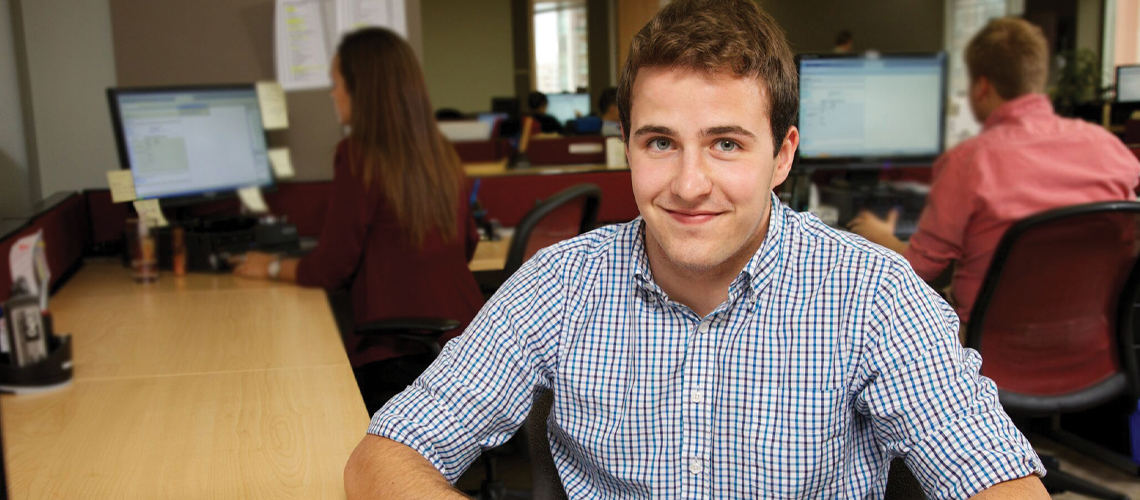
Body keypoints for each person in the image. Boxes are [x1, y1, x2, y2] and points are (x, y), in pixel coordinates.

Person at [344, 1, 1048, 498]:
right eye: (659, 143)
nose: (687, 184)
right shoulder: (557, 285)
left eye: (726, 144)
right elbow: (384, 458)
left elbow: (996, 480)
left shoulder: (873, 295)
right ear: (628, 148)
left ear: (782, 156)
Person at [233, 27, 485, 413]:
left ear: (361, 90)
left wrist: (268, 266)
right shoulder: (439, 153)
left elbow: (330, 270)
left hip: (401, 355)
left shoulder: (358, 156)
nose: (332, 94)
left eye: (337, 83)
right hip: (468, 349)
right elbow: (468, 243)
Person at [849, 17, 1140, 326]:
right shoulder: (1107, 146)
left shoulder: (969, 161)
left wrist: (883, 237)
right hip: (1094, 349)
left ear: (982, 87)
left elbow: (919, 269)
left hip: (990, 354)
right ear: (1037, 79)